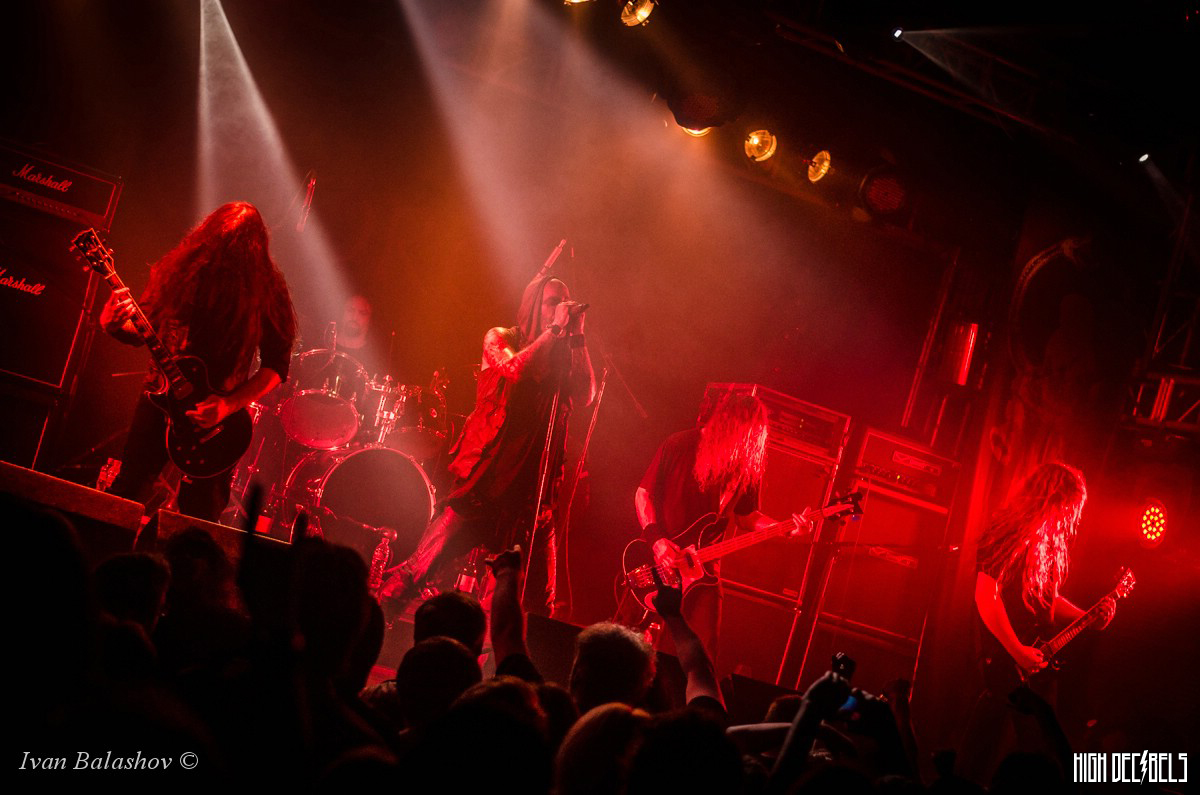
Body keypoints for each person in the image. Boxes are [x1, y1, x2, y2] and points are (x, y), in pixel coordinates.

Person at [379, 275, 595, 615]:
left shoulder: (562, 356)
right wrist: (554, 330)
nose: (560, 308)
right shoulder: (500, 337)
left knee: (528, 600)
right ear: (533, 305)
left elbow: (585, 396)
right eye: (552, 302)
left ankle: (490, 643)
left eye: (564, 302)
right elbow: (515, 369)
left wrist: (578, 336)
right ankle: (376, 615)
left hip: (530, 491)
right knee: (420, 568)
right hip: (487, 478)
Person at [100, 201, 296, 522]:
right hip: (159, 397)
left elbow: (277, 365)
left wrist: (228, 405)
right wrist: (111, 323)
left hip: (217, 418)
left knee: (200, 514)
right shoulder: (178, 273)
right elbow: (144, 331)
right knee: (127, 490)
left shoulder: (267, 289)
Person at [963, 461, 1116, 782]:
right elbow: (985, 594)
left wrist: (1088, 618)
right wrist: (1016, 650)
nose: (1071, 516)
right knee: (984, 753)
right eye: (1069, 506)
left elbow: (1048, 601)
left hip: (1036, 664)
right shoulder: (1007, 532)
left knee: (1038, 758)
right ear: (1052, 499)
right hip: (1005, 660)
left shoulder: (1051, 545)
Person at [634, 392, 810, 663]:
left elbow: (746, 516)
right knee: (632, 645)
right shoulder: (680, 444)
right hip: (661, 562)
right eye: (745, 432)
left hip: (704, 569)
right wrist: (657, 542)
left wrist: (785, 528)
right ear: (725, 424)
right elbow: (643, 494)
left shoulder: (744, 466)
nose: (749, 441)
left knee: (703, 655)